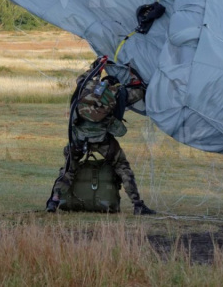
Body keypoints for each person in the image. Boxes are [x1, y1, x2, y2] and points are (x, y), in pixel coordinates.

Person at [46, 62, 155, 215]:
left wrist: (97, 67)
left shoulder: (86, 86)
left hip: (78, 138)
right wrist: (133, 75)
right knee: (122, 167)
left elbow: (82, 77)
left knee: (68, 170)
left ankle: (54, 200)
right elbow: (139, 91)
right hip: (103, 140)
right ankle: (137, 205)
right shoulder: (117, 93)